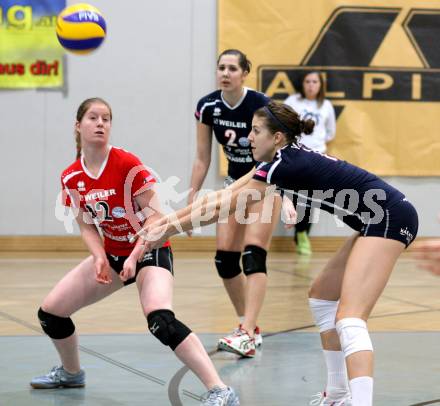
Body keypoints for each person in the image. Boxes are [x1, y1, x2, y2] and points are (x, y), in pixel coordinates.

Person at [136, 100, 419, 406]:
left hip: (390, 217)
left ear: (278, 138)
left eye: (256, 131)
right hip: (375, 219)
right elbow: (222, 196)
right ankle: (338, 395)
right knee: (322, 296)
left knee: (350, 318)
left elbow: (223, 207)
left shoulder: (286, 164)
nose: (249, 138)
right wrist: (163, 223)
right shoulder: (277, 163)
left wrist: (166, 231)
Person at [29, 98, 239, 406]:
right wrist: (100, 257)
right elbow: (86, 225)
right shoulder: (72, 176)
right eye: (93, 117)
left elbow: (156, 218)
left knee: (160, 320)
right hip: (114, 255)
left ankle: (220, 390)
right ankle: (71, 373)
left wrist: (134, 255)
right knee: (51, 313)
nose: (101, 123)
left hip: (151, 249)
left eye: (106, 118)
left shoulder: (127, 165)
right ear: (78, 126)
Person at [189, 49, 281, 357]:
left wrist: (290, 193)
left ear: (244, 73)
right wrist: (192, 194)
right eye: (221, 68)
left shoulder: (262, 105)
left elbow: (283, 152)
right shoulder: (208, 106)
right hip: (234, 187)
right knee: (225, 261)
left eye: (232, 68)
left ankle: (247, 330)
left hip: (266, 185)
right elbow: (203, 157)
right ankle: (248, 326)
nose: (225, 73)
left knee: (253, 256)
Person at [284, 71, 336, 255]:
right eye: (308, 81)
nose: (311, 85)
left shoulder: (326, 105)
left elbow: (330, 132)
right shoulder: (292, 101)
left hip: (318, 156)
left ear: (320, 85)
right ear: (302, 83)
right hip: (296, 155)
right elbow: (284, 124)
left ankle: (302, 234)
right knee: (297, 197)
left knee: (313, 199)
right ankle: (299, 233)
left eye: (315, 81)